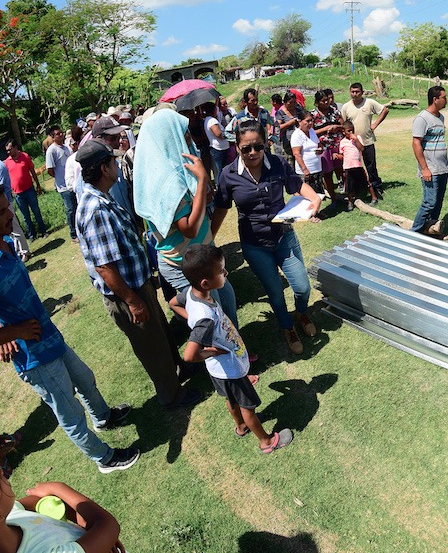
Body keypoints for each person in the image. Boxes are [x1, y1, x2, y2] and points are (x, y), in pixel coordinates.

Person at [0, 179, 139, 473]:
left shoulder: (3, 242)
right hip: (34, 357)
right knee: (69, 411)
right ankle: (104, 458)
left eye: (9, 207)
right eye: (2, 212)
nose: (11, 215)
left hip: (49, 336)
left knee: (85, 379)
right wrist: (12, 333)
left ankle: (104, 417)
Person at [75, 140, 201, 410]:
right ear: (103, 168)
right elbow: (104, 267)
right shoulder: (94, 208)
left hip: (136, 284)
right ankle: (172, 395)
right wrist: (132, 300)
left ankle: (179, 371)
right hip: (126, 293)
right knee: (151, 345)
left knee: (161, 333)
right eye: (113, 162)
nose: (117, 166)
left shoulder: (101, 196)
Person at [212, 120, 322, 354]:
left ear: (265, 144)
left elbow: (296, 185)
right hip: (255, 245)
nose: (253, 153)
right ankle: (287, 326)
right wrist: (209, 238)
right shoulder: (228, 174)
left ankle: (302, 313)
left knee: (302, 286)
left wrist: (314, 198)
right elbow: (221, 208)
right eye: (246, 148)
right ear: (237, 147)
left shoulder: (278, 164)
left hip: (284, 237)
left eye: (258, 147)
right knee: (275, 292)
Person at [133, 108, 241, 333]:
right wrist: (202, 180)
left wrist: (202, 188)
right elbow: (189, 228)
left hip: (202, 255)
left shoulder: (177, 170)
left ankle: (237, 352)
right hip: (184, 263)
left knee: (228, 303)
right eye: (183, 133)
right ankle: (228, 365)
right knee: (215, 318)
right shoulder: (167, 184)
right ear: (168, 136)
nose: (188, 137)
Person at [179, 245, 294, 454]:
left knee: (230, 399)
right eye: (221, 271)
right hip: (229, 368)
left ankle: (241, 427)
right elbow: (190, 355)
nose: (226, 273)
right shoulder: (205, 317)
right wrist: (213, 350)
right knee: (247, 406)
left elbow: (173, 303)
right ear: (206, 282)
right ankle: (266, 442)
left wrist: (193, 323)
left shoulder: (191, 293)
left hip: (219, 372)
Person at [0, 438, 125, 553]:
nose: (3, 472)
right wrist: (57, 487)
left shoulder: (7, 519)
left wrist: (94, 534)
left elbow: (39, 502)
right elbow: (108, 525)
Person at [410, 86, 448, 235]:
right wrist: (424, 168)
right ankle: (414, 232)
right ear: (435, 99)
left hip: (442, 167)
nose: (446, 100)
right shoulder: (422, 118)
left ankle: (431, 229)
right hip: (430, 168)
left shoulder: (441, 117)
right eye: (444, 97)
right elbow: (416, 143)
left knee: (438, 202)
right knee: (429, 202)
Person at [341, 82, 389, 198]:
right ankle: (359, 189)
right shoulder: (346, 107)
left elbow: (385, 110)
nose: (355, 94)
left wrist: (375, 125)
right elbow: (343, 123)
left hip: (367, 141)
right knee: (355, 167)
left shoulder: (369, 103)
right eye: (352, 92)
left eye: (357, 92)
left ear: (362, 92)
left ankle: (376, 188)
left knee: (371, 166)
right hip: (353, 144)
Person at [4, 140, 47, 241]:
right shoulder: (7, 162)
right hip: (18, 193)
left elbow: (32, 171)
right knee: (25, 216)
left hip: (29, 190)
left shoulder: (25, 156)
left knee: (36, 211)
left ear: (15, 147)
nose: (8, 152)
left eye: (10, 149)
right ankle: (32, 235)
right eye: (7, 151)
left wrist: (38, 185)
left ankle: (43, 231)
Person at [44, 125, 78, 244]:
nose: (61, 135)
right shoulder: (51, 151)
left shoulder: (66, 147)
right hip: (63, 186)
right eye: (58, 134)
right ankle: (73, 234)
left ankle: (79, 230)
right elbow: (50, 169)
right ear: (52, 137)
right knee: (70, 209)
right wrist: (59, 178)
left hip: (72, 182)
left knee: (77, 207)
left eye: (61, 133)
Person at [310, 88, 344, 203]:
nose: (326, 103)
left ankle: (348, 194)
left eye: (327, 100)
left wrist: (337, 127)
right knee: (327, 173)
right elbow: (310, 132)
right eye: (323, 101)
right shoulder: (312, 115)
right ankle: (333, 198)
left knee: (342, 170)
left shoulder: (334, 111)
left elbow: (344, 126)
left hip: (336, 145)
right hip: (323, 148)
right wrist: (325, 129)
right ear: (317, 102)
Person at [339, 121, 378, 210]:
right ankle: (350, 202)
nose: (351, 133)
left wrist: (356, 139)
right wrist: (337, 156)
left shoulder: (358, 138)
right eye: (349, 131)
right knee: (349, 185)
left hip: (358, 165)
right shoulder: (342, 142)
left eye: (352, 130)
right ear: (344, 132)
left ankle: (374, 198)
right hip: (348, 167)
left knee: (366, 182)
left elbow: (362, 148)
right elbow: (342, 155)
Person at [291, 111, 324, 196]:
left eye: (311, 121)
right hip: (306, 172)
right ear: (300, 121)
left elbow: (318, 144)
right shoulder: (297, 135)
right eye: (307, 121)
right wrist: (305, 170)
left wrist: (320, 149)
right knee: (306, 197)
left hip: (316, 169)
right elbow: (296, 154)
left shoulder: (312, 131)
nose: (310, 123)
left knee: (317, 195)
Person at [203, 101, 232, 179]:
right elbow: (218, 134)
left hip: (220, 148)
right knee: (221, 171)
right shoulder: (212, 121)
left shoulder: (208, 120)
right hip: (219, 149)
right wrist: (229, 135)